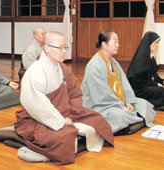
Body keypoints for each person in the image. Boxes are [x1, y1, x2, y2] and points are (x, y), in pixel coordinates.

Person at [15, 32, 114, 165]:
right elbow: (37, 104)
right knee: (65, 136)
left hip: (65, 112)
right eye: (59, 48)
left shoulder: (61, 67)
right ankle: (44, 154)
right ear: (47, 48)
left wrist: (75, 108)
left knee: (97, 119)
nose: (63, 52)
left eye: (65, 48)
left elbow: (74, 90)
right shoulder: (36, 71)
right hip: (38, 118)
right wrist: (61, 121)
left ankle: (61, 147)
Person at [81, 30, 156, 135]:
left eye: (118, 42)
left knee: (144, 104)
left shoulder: (114, 62)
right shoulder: (94, 65)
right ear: (104, 44)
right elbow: (101, 94)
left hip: (117, 101)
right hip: (99, 105)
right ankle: (132, 119)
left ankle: (128, 121)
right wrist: (120, 105)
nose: (118, 45)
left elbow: (125, 84)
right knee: (119, 115)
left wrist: (128, 101)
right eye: (115, 42)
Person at [126, 31, 164, 110]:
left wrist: (162, 81)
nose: (157, 45)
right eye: (156, 43)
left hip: (147, 86)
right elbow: (138, 82)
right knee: (161, 90)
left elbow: (154, 75)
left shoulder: (151, 58)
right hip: (139, 90)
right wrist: (155, 84)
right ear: (149, 43)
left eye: (158, 43)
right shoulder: (141, 60)